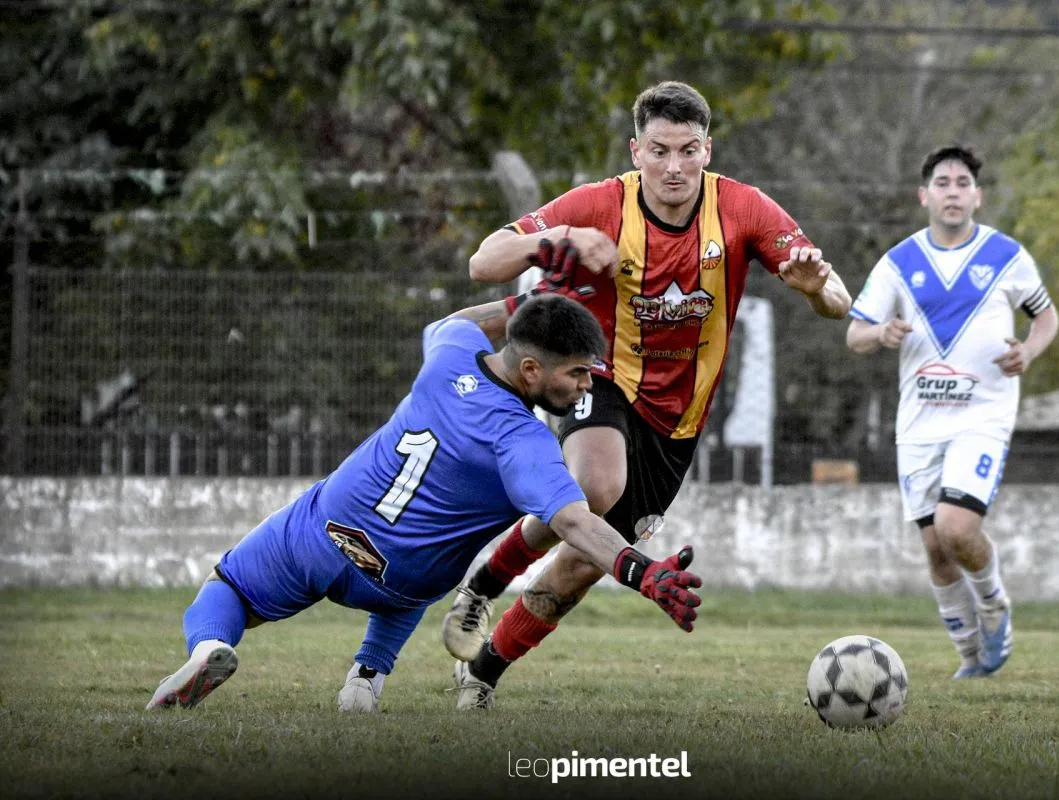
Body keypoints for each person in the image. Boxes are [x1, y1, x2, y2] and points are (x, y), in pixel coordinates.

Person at [440, 80, 852, 710]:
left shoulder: (744, 210)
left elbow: (839, 303)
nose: (674, 167)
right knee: (594, 491)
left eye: (688, 150)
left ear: (707, 150)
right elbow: (484, 261)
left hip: (678, 420)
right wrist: (557, 243)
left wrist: (814, 288)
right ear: (636, 151)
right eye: (659, 150)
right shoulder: (602, 204)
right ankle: (483, 582)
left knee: (583, 563)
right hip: (601, 377)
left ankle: (486, 667)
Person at [145, 287, 703, 712]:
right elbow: (577, 524)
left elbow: (451, 321)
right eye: (578, 373)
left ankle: (207, 649)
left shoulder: (450, 354)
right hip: (406, 580)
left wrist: (521, 301)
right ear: (532, 370)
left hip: (329, 531)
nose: (587, 386)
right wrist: (645, 574)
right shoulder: (524, 442)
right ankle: (366, 678)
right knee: (417, 572)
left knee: (229, 589)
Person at [845, 145, 1059, 679]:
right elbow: (855, 334)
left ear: (977, 196)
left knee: (956, 528)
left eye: (963, 183)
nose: (953, 192)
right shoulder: (899, 262)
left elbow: (1047, 317)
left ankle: (994, 606)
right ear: (925, 196)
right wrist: (881, 332)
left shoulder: (1007, 256)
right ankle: (972, 659)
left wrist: (1028, 351)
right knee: (936, 550)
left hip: (982, 415)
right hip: (920, 424)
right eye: (943, 183)